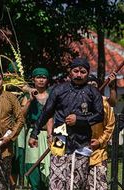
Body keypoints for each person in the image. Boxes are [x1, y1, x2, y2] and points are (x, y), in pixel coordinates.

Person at [28, 58, 104, 189]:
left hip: (82, 141)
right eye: (75, 71)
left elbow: (99, 115)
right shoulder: (59, 90)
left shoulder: (93, 92)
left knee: (75, 182)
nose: (79, 75)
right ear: (70, 72)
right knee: (56, 181)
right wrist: (35, 133)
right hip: (60, 139)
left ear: (87, 73)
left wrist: (79, 120)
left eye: (83, 72)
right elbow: (46, 112)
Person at [21, 68, 53, 190]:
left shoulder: (52, 95)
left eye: (43, 77)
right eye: (38, 77)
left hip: (49, 134)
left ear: (47, 80)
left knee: (49, 167)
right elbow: (21, 115)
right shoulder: (28, 95)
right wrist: (30, 100)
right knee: (32, 165)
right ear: (33, 79)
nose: (41, 80)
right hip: (33, 135)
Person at [86, 74, 115, 190]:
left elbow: (110, 125)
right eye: (88, 85)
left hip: (98, 152)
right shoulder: (75, 101)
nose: (91, 87)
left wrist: (100, 141)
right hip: (78, 151)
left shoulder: (104, 103)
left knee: (99, 186)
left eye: (94, 84)